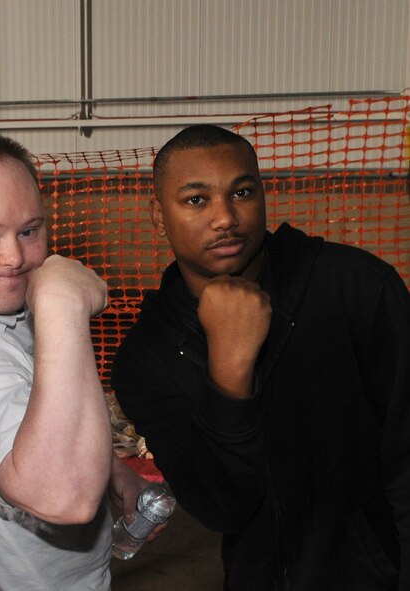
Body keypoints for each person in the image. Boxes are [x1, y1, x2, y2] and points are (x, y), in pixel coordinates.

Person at [111, 124, 410, 590]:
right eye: (196, 200)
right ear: (158, 213)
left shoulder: (358, 288)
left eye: (242, 192)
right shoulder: (146, 357)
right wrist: (230, 368)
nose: (225, 218)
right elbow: (221, 507)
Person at [0, 133, 159, 590]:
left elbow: (34, 417)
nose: (14, 257)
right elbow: (64, 497)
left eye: (29, 231)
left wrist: (111, 471)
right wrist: (63, 304)